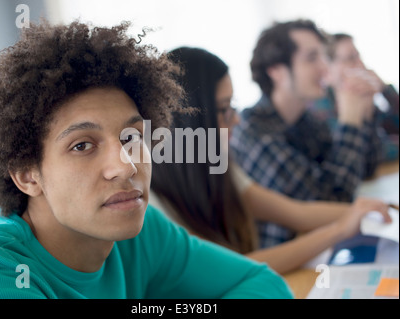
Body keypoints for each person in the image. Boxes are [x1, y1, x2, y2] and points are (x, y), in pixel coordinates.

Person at [0, 21, 293, 299]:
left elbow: (265, 285)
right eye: (82, 146)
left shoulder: (139, 230)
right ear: (27, 175)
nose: (127, 165)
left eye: (133, 137)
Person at [150, 47, 392, 273]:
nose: (236, 120)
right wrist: (340, 228)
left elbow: (297, 211)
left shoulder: (216, 163)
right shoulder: (152, 203)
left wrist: (369, 210)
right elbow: (224, 269)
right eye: (225, 109)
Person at [230, 20, 383, 247]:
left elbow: (366, 169)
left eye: (323, 57)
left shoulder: (306, 121)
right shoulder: (254, 133)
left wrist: (364, 111)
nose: (325, 67)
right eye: (312, 58)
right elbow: (332, 201)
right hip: (290, 267)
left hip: (322, 249)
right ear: (276, 71)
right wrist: (350, 121)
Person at [310, 33, 399, 162]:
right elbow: (358, 154)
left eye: (359, 56)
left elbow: (393, 127)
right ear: (328, 68)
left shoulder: (361, 98)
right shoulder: (319, 106)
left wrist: (385, 89)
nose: (361, 64)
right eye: (351, 58)